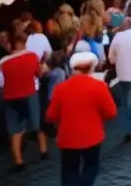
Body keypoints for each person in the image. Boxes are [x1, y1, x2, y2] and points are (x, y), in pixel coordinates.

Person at [46, 52, 117, 186]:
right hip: (92, 136)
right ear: (91, 67)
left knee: (69, 171)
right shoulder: (99, 86)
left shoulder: (60, 88)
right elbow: (111, 113)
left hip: (68, 138)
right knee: (91, 166)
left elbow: (51, 115)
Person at [0, 31, 48, 171]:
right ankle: (43, 151)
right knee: (38, 123)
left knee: (15, 129)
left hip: (10, 96)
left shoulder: (4, 62)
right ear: (24, 43)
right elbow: (38, 74)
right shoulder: (31, 57)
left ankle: (18, 161)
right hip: (29, 93)